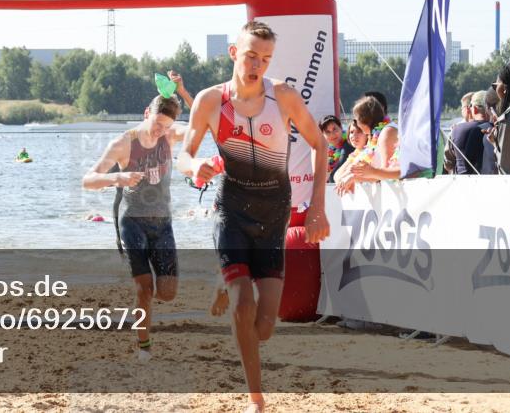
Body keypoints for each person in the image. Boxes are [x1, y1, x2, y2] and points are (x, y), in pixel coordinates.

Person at [177, 20, 330, 413]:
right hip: (231, 208)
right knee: (244, 308)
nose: (257, 65)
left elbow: (320, 144)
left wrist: (316, 206)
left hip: (274, 210)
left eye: (265, 58)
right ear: (233, 53)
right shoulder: (211, 101)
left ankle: (224, 282)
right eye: (250, 56)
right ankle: (256, 399)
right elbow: (184, 154)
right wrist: (194, 167)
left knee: (263, 327)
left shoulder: (283, 96)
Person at [82, 71, 193, 362]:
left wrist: (182, 92)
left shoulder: (169, 136)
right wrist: (118, 177)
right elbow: (88, 180)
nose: (159, 131)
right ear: (147, 113)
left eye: (166, 126)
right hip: (131, 221)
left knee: (166, 293)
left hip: (162, 222)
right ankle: (144, 347)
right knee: (144, 288)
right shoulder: (123, 143)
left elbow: (203, 124)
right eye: (156, 123)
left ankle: (146, 296)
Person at [335, 96, 400, 193]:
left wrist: (354, 178)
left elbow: (387, 175)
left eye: (356, 119)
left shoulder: (387, 132)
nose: (356, 123)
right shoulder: (374, 136)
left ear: (364, 119)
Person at [447, 91, 492, 175]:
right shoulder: (492, 129)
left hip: (460, 181)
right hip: (485, 181)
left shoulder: (456, 129)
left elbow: (449, 161)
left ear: (474, 109)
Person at [320, 115, 354, 183]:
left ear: (341, 128)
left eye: (334, 129)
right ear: (323, 135)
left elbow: (333, 177)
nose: (332, 134)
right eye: (328, 132)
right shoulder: (330, 149)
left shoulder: (349, 145)